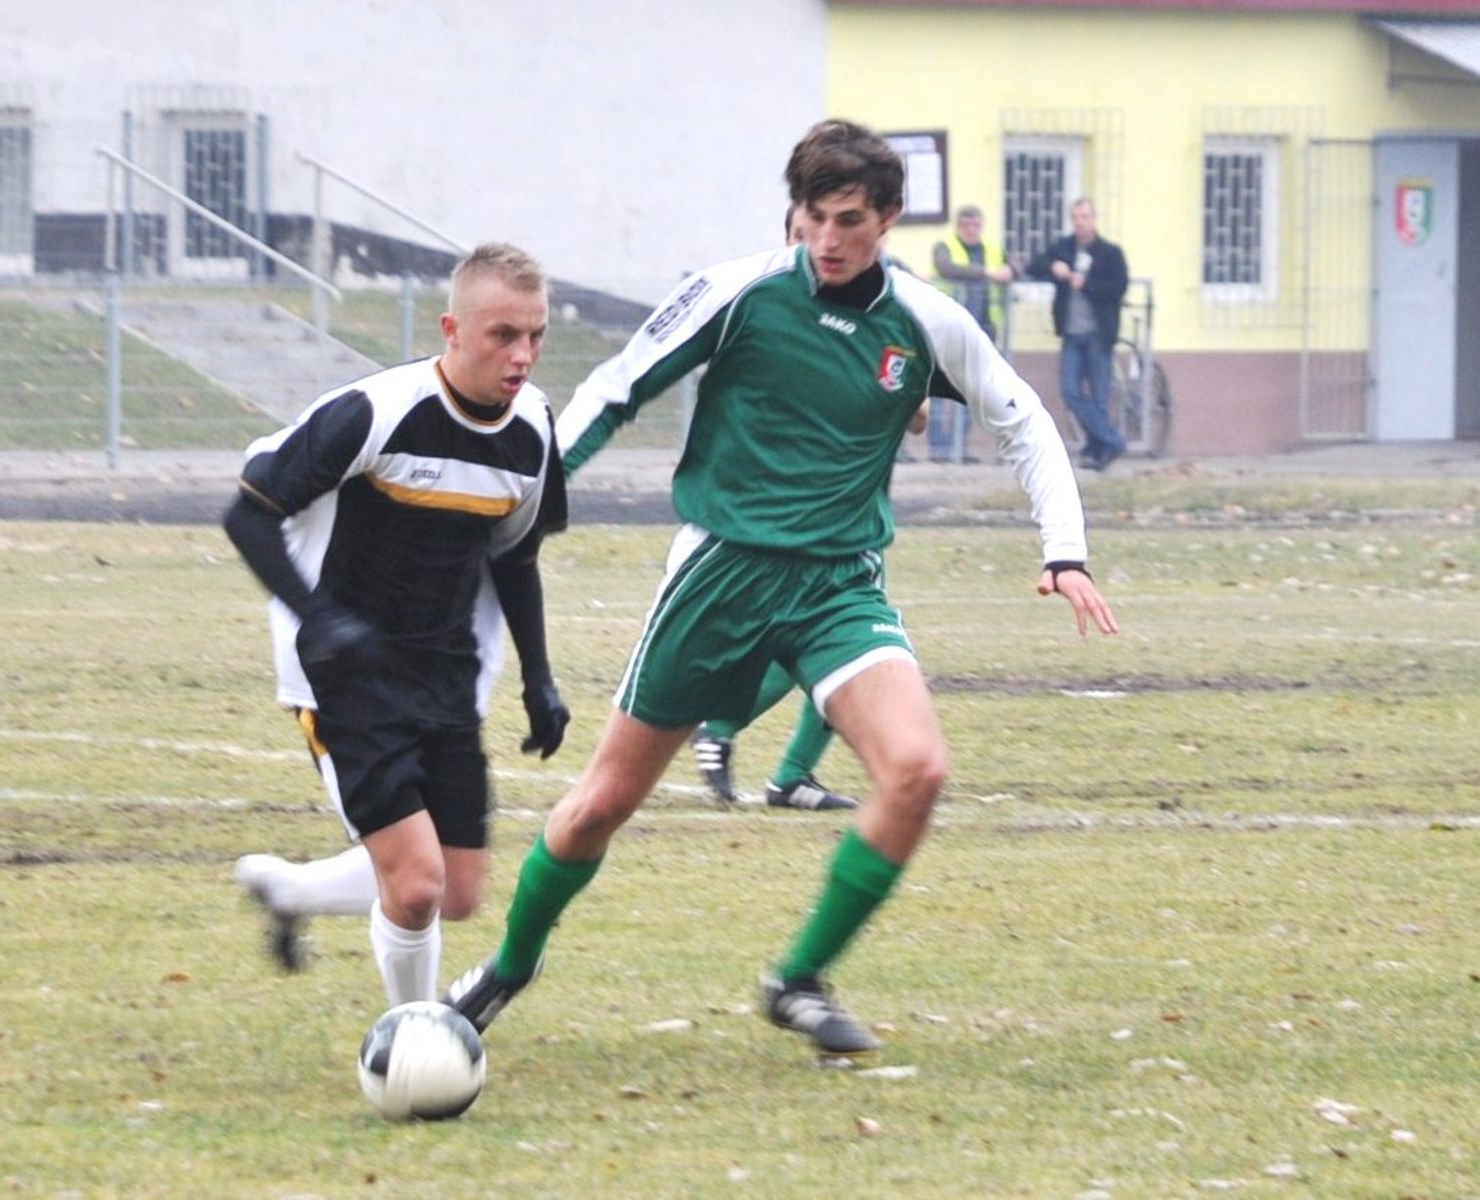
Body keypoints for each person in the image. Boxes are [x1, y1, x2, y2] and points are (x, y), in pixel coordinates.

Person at [441, 120, 1118, 1057]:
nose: (828, 240)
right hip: (722, 575)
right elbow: (615, 386)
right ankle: (507, 967)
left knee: (918, 771)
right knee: (601, 804)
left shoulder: (925, 321)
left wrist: (1063, 550)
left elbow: (1026, 420)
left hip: (840, 586)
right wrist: (528, 503)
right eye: (812, 218)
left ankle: (797, 979)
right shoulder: (739, 292)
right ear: (792, 214)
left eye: (849, 220)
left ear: (886, 220)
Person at [222, 243, 571, 1007]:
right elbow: (248, 512)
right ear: (451, 328)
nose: (523, 355)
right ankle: (415, 1033)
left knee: (458, 889)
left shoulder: (535, 431)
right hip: (344, 676)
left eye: (536, 336)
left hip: (445, 673)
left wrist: (540, 679)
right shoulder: (374, 413)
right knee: (415, 886)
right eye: (503, 335)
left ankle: (294, 891)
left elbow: (517, 559)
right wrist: (317, 618)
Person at [690, 205, 928, 814]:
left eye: (841, 226)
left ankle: (788, 773)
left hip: (850, 516)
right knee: (821, 643)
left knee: (847, 646)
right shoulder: (764, 304)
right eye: (804, 232)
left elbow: (917, 407)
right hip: (773, 520)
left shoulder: (885, 301)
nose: (823, 245)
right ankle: (722, 725)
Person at [1025, 198, 1131, 471]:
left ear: (1094, 219)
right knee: (1070, 391)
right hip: (1072, 334)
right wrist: (1053, 268)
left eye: (1085, 217)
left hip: (1098, 334)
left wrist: (1086, 284)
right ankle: (1113, 440)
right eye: (1076, 217)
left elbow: (1118, 288)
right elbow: (1034, 265)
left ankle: (1098, 451)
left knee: (1099, 397)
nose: (1080, 222)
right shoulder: (1064, 247)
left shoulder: (1109, 252)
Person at [931, 203, 1014, 464]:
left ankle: (960, 446)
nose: (970, 230)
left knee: (969, 391)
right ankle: (940, 448)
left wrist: (1011, 271)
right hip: (947, 329)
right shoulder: (944, 247)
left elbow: (1017, 266)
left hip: (983, 329)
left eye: (975, 225)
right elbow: (946, 268)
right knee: (937, 387)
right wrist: (987, 272)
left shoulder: (993, 250)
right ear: (958, 226)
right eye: (965, 225)